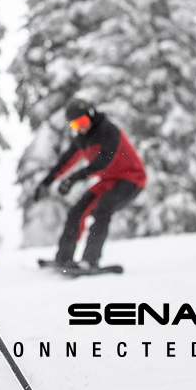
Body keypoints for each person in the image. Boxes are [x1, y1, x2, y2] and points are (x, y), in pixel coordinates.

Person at [34, 98, 147, 269]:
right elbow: (64, 163)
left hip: (132, 179)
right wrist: (45, 183)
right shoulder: (81, 139)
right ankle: (63, 258)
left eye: (83, 122)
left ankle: (90, 260)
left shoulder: (108, 130)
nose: (81, 127)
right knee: (76, 211)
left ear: (91, 116)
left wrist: (73, 179)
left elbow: (104, 161)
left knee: (103, 208)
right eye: (75, 125)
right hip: (108, 181)